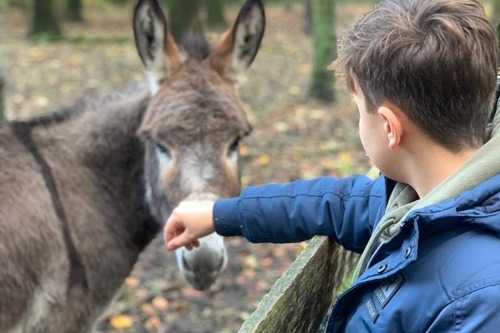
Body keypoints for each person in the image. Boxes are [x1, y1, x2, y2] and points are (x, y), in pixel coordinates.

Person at [164, 0, 500, 331]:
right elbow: (335, 202)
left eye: (359, 111)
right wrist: (219, 213)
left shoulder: (479, 301)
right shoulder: (419, 195)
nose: (358, 124)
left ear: (389, 128)